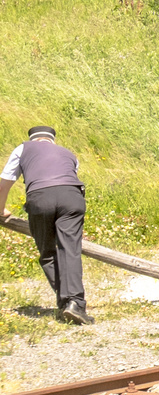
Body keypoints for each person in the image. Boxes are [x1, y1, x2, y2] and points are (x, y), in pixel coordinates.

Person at [0, 126, 91, 325]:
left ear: (33, 139)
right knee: (70, 250)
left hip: (41, 198)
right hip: (72, 198)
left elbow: (4, 182)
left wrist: (1, 209)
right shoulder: (69, 154)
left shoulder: (23, 149)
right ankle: (74, 303)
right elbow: (69, 179)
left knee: (48, 252)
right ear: (52, 141)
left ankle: (65, 303)